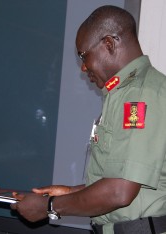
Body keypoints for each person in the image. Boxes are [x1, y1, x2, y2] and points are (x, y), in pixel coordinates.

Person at [11, 5, 166, 234]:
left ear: (109, 44)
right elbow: (121, 179)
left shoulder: (139, 96)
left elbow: (120, 191)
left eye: (83, 56)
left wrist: (49, 207)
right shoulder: (125, 93)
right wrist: (69, 192)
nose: (83, 67)